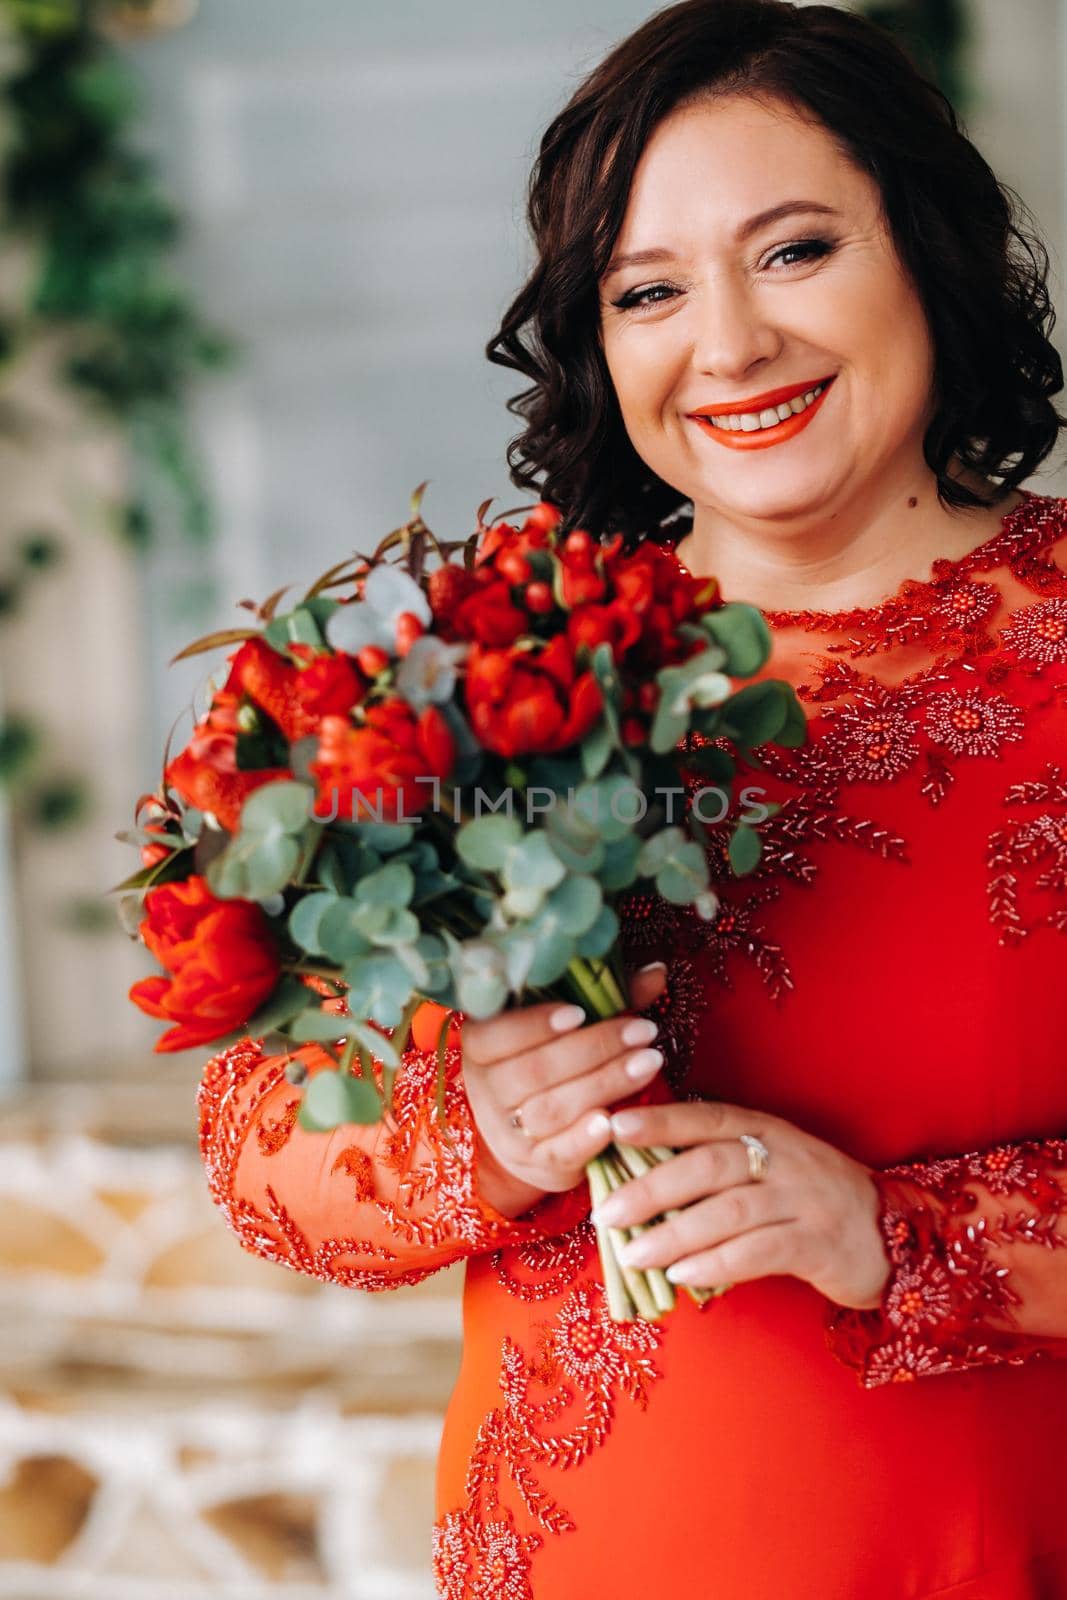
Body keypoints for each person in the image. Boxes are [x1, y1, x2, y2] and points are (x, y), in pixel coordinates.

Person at [195, 2, 1067, 1594]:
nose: (727, 346)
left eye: (794, 252)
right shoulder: (482, 672)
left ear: (928, 249)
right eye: (648, 290)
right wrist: (477, 1130)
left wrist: (897, 1234)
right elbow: (263, 1159)